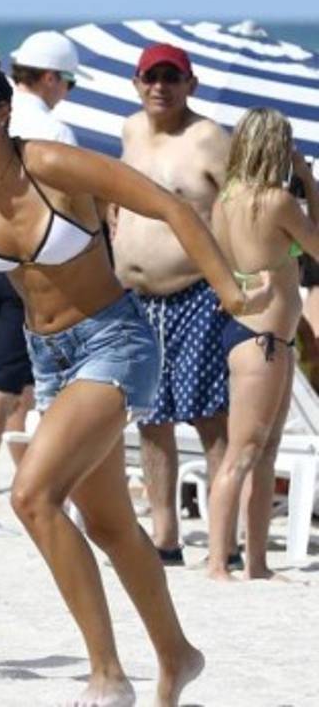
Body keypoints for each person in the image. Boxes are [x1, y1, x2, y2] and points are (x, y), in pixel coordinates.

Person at [0, 46, 268, 707]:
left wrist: (231, 295)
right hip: (49, 358)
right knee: (113, 527)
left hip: (115, 341)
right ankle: (177, 655)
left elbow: (174, 209)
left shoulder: (57, 165)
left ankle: (107, 676)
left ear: (3, 114)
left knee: (32, 496)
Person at [0, 30, 85, 538]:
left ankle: (27, 487)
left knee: (22, 386)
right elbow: (68, 213)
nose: (66, 91)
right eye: (68, 82)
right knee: (3, 386)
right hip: (26, 271)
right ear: (49, 78)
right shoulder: (50, 129)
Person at [112, 44, 233, 566]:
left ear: (191, 84)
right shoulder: (131, 130)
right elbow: (116, 187)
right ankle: (166, 535)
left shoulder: (207, 138)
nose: (160, 86)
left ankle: (223, 537)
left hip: (197, 295)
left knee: (209, 417)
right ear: (138, 84)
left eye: (171, 77)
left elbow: (240, 207)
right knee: (151, 417)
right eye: (151, 77)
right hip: (136, 300)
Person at [208, 108, 319, 580]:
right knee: (245, 452)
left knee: (262, 452)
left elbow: (226, 264)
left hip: (246, 334)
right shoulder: (276, 201)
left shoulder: (226, 199)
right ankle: (218, 563)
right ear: (278, 147)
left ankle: (256, 563)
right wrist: (309, 181)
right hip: (267, 339)